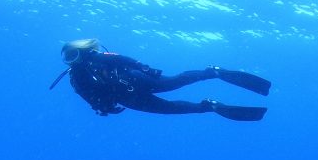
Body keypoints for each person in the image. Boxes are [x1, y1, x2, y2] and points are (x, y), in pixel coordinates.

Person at [49, 39, 271, 121]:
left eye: (73, 54)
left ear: (81, 50)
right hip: (128, 99)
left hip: (135, 80)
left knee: (173, 83)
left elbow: (122, 59)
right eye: (68, 58)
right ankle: (209, 106)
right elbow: (87, 96)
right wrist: (102, 107)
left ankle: (212, 72)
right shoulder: (75, 78)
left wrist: (144, 67)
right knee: (169, 109)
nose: (72, 60)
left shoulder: (97, 58)